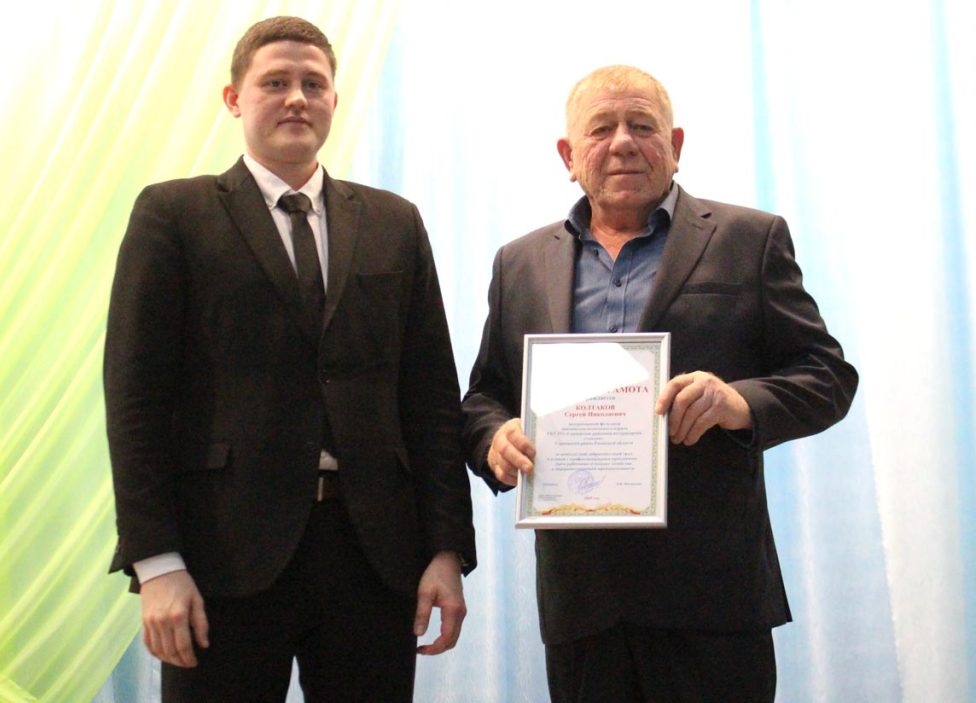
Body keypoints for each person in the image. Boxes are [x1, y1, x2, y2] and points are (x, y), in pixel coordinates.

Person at [105, 16, 475, 703]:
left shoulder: (395, 222)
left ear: (335, 99)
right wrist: (155, 561)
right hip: (220, 560)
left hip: (373, 556)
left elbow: (429, 399)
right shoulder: (174, 215)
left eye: (313, 83)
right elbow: (135, 401)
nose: (296, 98)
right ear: (234, 99)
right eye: (274, 82)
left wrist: (447, 548)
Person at [462, 65, 858, 702]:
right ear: (568, 156)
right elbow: (485, 396)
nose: (623, 142)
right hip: (582, 604)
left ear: (674, 145)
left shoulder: (748, 239)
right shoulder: (520, 263)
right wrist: (495, 439)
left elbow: (827, 376)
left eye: (642, 126)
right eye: (601, 129)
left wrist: (738, 402)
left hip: (712, 598)